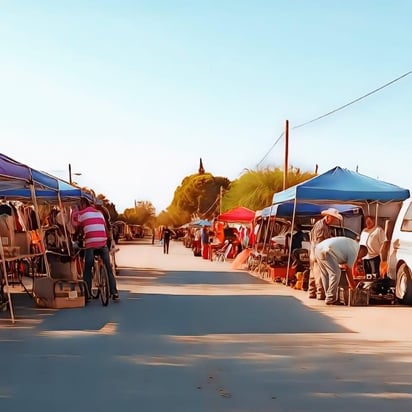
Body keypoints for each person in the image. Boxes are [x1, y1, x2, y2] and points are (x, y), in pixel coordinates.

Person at [75, 197, 119, 301]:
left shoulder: (81, 214)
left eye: (79, 206)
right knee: (108, 267)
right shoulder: (100, 213)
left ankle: (87, 294)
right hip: (103, 243)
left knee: (87, 268)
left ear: (83, 205)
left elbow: (78, 229)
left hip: (91, 244)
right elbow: (105, 228)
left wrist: (76, 238)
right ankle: (114, 292)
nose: (79, 208)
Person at [315, 237, 367, 305]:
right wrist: (354, 287)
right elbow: (348, 270)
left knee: (325, 274)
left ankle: (328, 296)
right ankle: (330, 298)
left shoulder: (352, 244)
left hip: (318, 248)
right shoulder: (355, 252)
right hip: (328, 250)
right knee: (336, 273)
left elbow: (342, 259)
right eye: (361, 257)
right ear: (361, 253)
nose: (359, 259)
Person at [308, 208, 343, 300]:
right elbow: (319, 243)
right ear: (328, 217)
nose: (334, 221)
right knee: (319, 272)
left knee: (313, 272)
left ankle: (311, 291)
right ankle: (320, 292)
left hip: (314, 250)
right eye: (333, 219)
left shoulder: (323, 225)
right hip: (317, 251)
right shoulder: (321, 227)